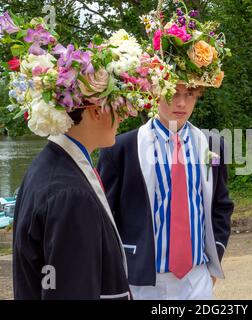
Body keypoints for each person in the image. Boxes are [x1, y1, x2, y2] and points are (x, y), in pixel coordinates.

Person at [2, 15, 153, 299]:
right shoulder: (69, 193)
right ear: (96, 110)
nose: (122, 118)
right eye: (119, 107)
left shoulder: (49, 166)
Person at [97, 3, 233, 300]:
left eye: (189, 94)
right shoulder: (121, 148)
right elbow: (106, 217)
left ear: (198, 95)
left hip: (197, 277)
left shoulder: (213, 145)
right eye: (172, 92)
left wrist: (214, 260)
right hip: (143, 279)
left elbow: (221, 206)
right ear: (155, 91)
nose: (180, 103)